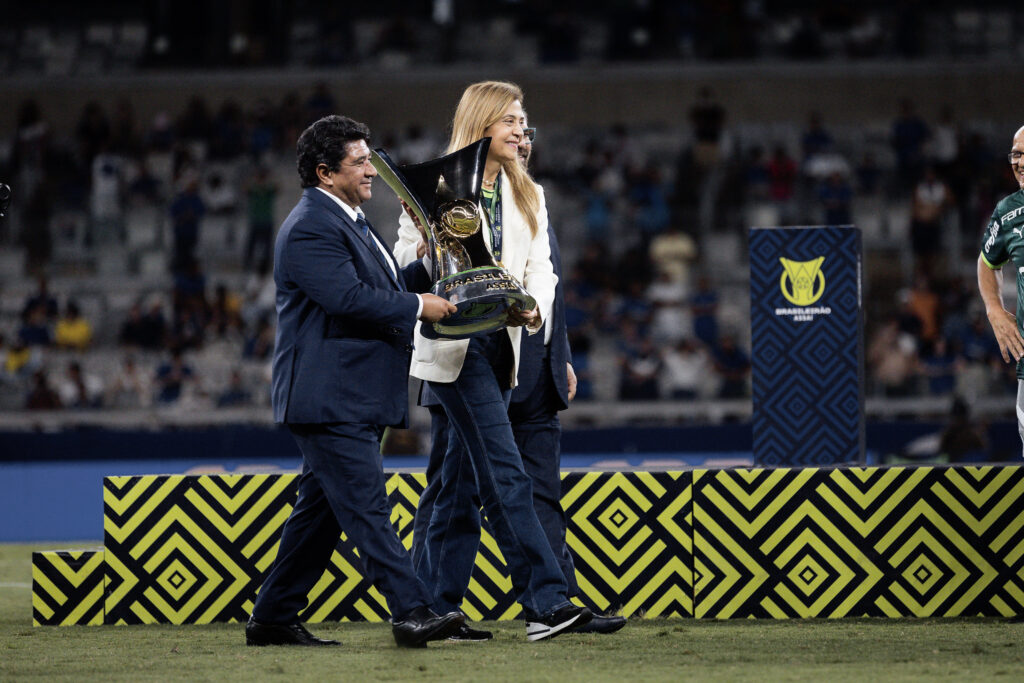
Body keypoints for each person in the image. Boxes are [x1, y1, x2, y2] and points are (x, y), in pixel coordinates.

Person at [245, 114, 463, 649]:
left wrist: (420, 272)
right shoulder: (312, 225)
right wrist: (418, 304)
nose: (372, 169)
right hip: (330, 397)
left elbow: (375, 286)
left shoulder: (347, 219)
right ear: (325, 172)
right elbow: (347, 300)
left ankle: (272, 618)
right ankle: (412, 611)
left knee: (318, 518)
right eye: (360, 161)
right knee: (368, 509)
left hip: (348, 394)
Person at [407, 114, 625, 640]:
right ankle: (547, 603)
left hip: (508, 345)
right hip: (456, 345)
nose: (522, 130)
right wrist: (422, 251)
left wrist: (535, 312)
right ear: (481, 123)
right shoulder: (433, 187)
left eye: (526, 123)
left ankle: (432, 609)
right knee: (502, 475)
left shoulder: (527, 191)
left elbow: (543, 269)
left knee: (459, 487)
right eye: (510, 119)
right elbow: (405, 272)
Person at [978, 124, 1024, 456]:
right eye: (1016, 154)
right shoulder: (1007, 211)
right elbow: (986, 263)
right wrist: (994, 309)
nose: (1019, 162)